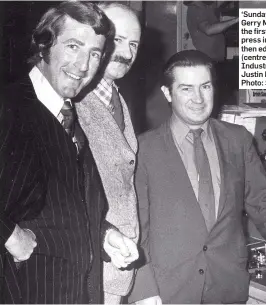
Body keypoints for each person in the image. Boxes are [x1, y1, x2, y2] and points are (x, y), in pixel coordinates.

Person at [128, 50, 266, 304]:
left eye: (205, 86)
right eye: (186, 89)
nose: (198, 98)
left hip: (227, 288)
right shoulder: (142, 149)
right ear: (167, 93)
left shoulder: (238, 139)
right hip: (168, 292)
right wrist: (143, 290)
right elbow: (137, 228)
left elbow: (263, 201)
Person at [0, 2, 112, 303]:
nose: (83, 65)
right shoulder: (9, 105)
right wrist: (8, 233)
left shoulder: (69, 116)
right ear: (44, 44)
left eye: (95, 54)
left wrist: (105, 235)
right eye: (74, 46)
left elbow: (61, 207)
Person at [75, 2, 141, 304]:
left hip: (115, 269)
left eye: (133, 44)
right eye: (117, 40)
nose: (126, 53)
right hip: (87, 269)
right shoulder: (72, 102)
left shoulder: (117, 98)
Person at [185, 1, 239, 115]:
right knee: (218, 100)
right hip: (208, 62)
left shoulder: (207, 6)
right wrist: (237, 20)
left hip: (217, 61)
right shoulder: (195, 10)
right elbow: (209, 30)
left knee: (225, 95)